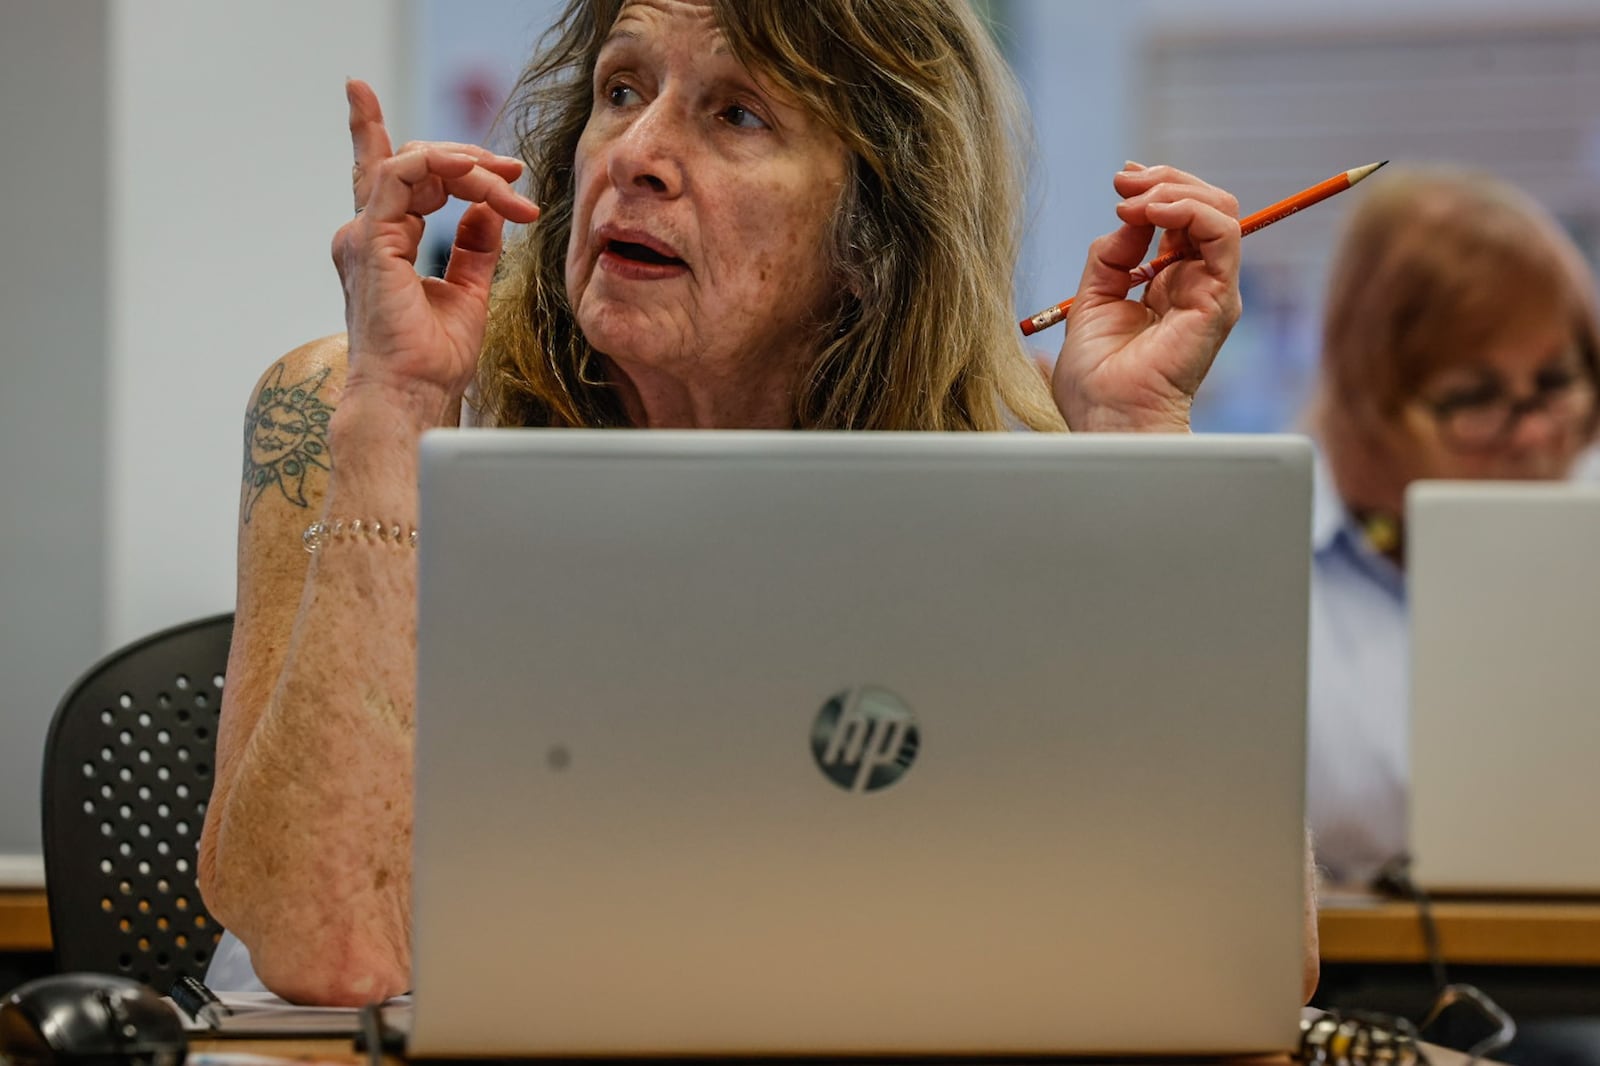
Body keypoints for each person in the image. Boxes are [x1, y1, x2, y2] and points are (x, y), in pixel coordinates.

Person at [197, 0, 1305, 1006]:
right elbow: (330, 956)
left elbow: (1241, 949)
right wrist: (393, 410)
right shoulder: (359, 405)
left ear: (870, 236)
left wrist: (1129, 442)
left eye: (736, 116)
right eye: (621, 90)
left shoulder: (1009, 471)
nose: (634, 155)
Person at [1304, 164, 1600, 890]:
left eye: (1557, 382)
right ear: (1368, 406)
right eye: (1475, 397)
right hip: (1350, 983)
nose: (1534, 436)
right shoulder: (1271, 563)